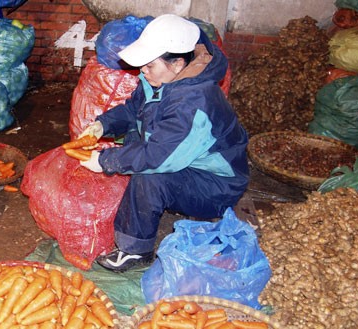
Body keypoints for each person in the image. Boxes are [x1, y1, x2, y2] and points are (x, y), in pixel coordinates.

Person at [79, 14, 249, 272]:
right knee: (136, 143)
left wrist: (105, 160)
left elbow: (158, 156)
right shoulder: (160, 79)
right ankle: (149, 206)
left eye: (149, 67)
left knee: (150, 175)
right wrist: (102, 125)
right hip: (188, 163)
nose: (143, 74)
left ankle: (134, 250)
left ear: (178, 63)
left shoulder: (194, 101)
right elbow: (132, 110)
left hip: (217, 185)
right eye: (143, 67)